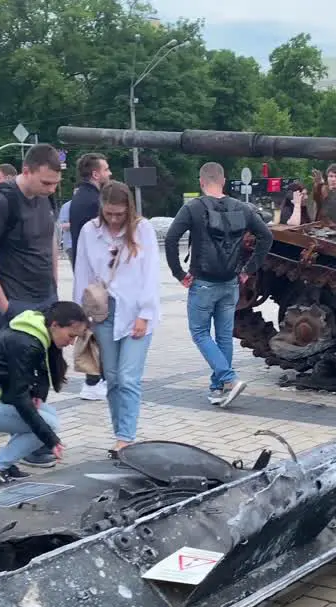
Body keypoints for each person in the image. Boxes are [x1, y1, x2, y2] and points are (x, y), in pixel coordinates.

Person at [0, 144, 63, 468]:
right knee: (18, 373)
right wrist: (4, 304)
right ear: (27, 171)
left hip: (44, 296)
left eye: (55, 184)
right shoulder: (2, 201)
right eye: (46, 183)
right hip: (15, 301)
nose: (51, 189)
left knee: (44, 369)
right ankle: (25, 440)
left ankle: (33, 438)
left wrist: (54, 280)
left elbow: (50, 237)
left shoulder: (46, 197)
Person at [164, 162, 273, 408]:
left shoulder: (193, 208)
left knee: (200, 333)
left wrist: (179, 273)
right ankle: (217, 389)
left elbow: (171, 238)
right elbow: (267, 236)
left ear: (201, 182)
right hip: (231, 282)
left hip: (203, 281)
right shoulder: (242, 208)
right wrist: (249, 269)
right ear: (223, 181)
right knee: (223, 335)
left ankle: (228, 378)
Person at [73, 181, 160, 454]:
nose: (113, 219)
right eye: (109, 213)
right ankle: (120, 434)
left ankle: (126, 437)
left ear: (128, 210)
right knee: (111, 377)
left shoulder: (142, 230)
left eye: (119, 214)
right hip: (103, 311)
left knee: (128, 377)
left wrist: (145, 314)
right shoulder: (90, 231)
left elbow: (151, 274)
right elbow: (83, 273)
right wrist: (80, 315)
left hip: (136, 310)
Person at [0, 302, 87, 486]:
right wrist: (50, 440)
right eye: (71, 335)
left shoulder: (37, 332)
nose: (72, 342)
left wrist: (36, 395)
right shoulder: (26, 343)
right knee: (47, 425)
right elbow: (19, 397)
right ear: (55, 325)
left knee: (49, 414)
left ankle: (7, 464)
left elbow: (35, 377)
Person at [68, 153, 112, 402]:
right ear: (95, 174)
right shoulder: (93, 200)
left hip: (87, 275)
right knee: (97, 330)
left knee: (96, 329)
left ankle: (97, 379)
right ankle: (94, 380)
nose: (109, 173)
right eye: (106, 170)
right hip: (96, 279)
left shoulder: (80, 197)